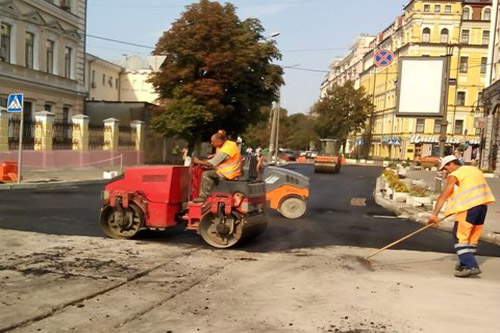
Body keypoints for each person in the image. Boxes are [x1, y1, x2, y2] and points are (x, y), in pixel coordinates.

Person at [427, 155, 495, 277]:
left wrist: (434, 215)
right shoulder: (474, 169)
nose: (445, 171)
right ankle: (465, 263)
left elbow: (444, 195)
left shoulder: (454, 175)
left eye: (446, 168)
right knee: (471, 237)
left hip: (468, 208)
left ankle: (471, 266)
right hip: (482, 206)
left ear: (452, 164)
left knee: (459, 237)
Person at [192, 132, 242, 202]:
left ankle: (203, 197)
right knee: (211, 170)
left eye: (213, 142)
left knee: (206, 174)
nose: (211, 143)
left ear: (219, 141)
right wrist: (214, 155)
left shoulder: (226, 150)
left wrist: (197, 161)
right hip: (231, 171)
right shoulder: (229, 144)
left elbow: (210, 163)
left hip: (228, 174)